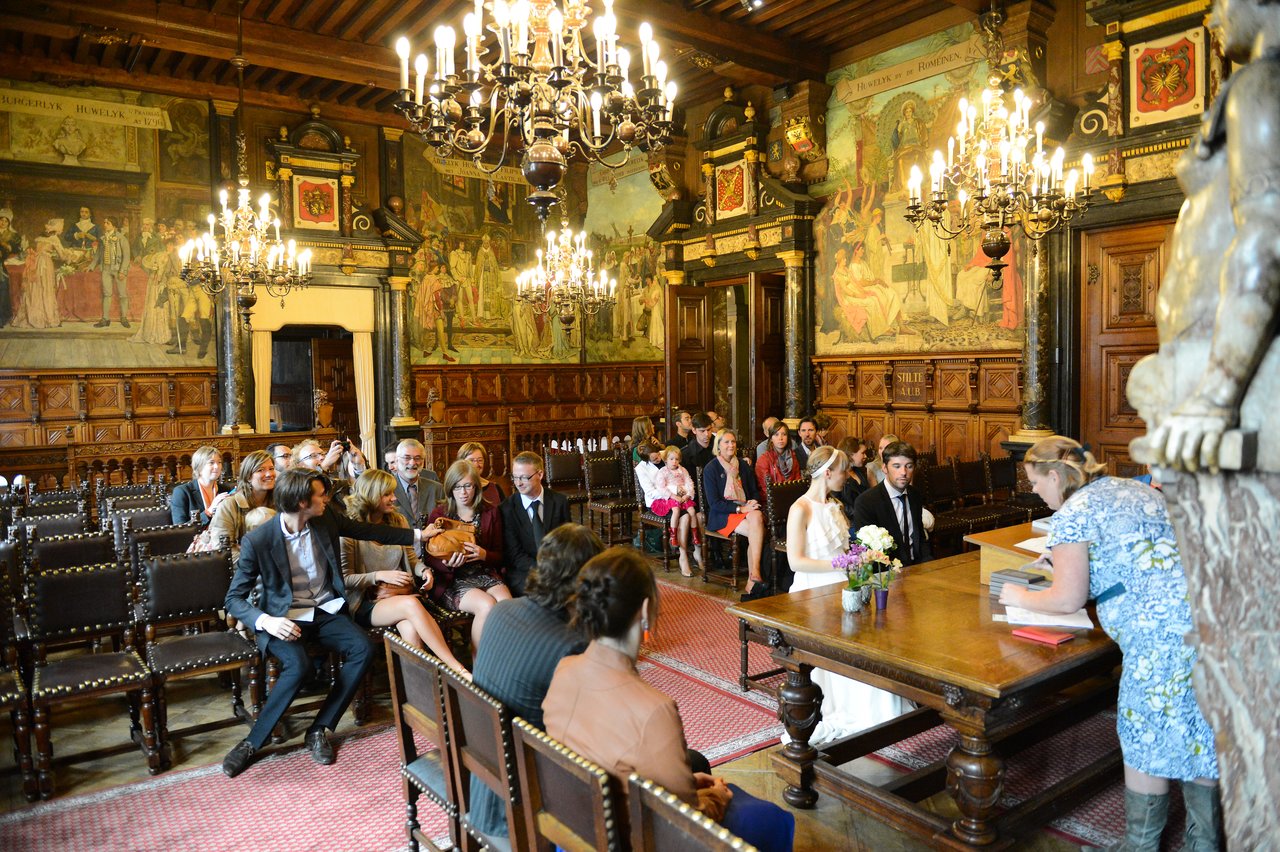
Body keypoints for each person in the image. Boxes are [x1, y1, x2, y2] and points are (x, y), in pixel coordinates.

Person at [997, 438, 1221, 850]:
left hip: (1159, 639)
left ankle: (1139, 846)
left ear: (1054, 475)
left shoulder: (1073, 513)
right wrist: (1061, 556)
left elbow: (1067, 599)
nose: (1034, 490)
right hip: (1209, 623)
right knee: (1198, 732)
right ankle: (1204, 843)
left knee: (1144, 740)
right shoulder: (1130, 487)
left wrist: (1019, 596)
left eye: (1033, 481)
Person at [543, 547, 795, 852]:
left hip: (577, 827)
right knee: (772, 819)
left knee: (696, 762)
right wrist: (716, 796)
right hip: (635, 838)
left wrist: (690, 785)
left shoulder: (564, 669)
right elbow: (684, 822)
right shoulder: (653, 710)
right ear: (645, 610)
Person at [221, 468, 421, 778]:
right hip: (283, 618)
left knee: (363, 649)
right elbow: (233, 599)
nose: (326, 499)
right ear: (302, 502)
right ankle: (252, 743)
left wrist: (419, 535)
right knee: (298, 666)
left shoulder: (325, 520)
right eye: (319, 494)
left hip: (325, 610)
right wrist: (268, 622)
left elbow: (367, 531)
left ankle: (319, 728)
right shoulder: (259, 540)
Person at [468, 523, 604, 838]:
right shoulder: (572, 645)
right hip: (529, 807)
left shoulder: (502, 612)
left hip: (483, 787)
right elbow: (592, 738)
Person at [786, 447, 911, 744]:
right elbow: (795, 561)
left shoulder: (835, 506)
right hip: (811, 588)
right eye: (844, 471)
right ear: (828, 473)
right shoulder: (800, 509)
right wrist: (842, 564)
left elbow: (844, 550)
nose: (848, 476)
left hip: (842, 582)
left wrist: (864, 559)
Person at [340, 470, 468, 675]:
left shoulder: (397, 521)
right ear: (371, 495)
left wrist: (424, 570)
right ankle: (453, 667)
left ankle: (418, 693)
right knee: (411, 605)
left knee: (410, 628)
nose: (394, 498)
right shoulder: (349, 529)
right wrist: (379, 575)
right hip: (366, 601)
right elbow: (345, 579)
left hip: (399, 595)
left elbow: (411, 559)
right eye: (387, 494)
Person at [423, 460, 510, 646]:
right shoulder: (439, 514)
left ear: (476, 486)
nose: (463, 492)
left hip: (484, 573)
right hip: (452, 580)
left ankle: (501, 662)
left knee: (507, 606)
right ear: (449, 488)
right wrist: (447, 564)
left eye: (468, 486)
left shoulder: (490, 512)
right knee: (486, 605)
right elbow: (429, 556)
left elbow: (501, 554)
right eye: (457, 486)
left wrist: (484, 554)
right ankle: (479, 666)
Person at [703, 429, 767, 600]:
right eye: (726, 442)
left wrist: (751, 503)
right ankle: (754, 576)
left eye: (733, 442)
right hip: (722, 514)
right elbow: (714, 504)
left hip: (744, 508)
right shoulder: (711, 469)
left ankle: (753, 574)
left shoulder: (743, 465)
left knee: (758, 517)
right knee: (756, 530)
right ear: (718, 446)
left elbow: (753, 491)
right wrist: (740, 509)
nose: (731, 445)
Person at [500, 450, 571, 596]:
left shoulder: (559, 501)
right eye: (515, 477)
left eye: (524, 478)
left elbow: (567, 542)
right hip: (524, 572)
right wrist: (545, 570)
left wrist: (558, 568)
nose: (518, 483)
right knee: (547, 594)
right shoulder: (507, 508)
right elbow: (514, 555)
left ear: (540, 474)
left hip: (557, 568)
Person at [852, 441, 932, 567]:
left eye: (909, 466)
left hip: (917, 568)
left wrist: (929, 565)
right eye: (896, 466)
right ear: (884, 468)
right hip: (887, 573)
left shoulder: (914, 495)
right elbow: (867, 552)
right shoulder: (866, 502)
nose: (903, 472)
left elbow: (920, 538)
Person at [208, 450, 277, 559]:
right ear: (248, 477)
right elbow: (223, 549)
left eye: (271, 469)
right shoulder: (229, 505)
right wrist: (259, 564)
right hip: (244, 569)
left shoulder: (279, 501)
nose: (269, 474)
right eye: (261, 470)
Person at [652, 444, 701, 577]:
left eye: (677, 459)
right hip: (671, 498)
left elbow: (689, 483)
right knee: (676, 511)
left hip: (683, 497)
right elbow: (661, 487)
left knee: (692, 512)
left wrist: (687, 495)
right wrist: (673, 495)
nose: (675, 462)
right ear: (666, 460)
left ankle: (695, 535)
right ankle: (673, 535)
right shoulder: (663, 472)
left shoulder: (682, 470)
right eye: (672, 459)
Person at [11, 219, 65, 329]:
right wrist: (72, 256)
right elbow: (63, 255)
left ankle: (34, 317)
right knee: (46, 288)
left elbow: (42, 250)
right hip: (45, 264)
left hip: (36, 262)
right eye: (61, 228)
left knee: (36, 289)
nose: (62, 230)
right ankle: (48, 319)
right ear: (57, 229)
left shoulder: (40, 238)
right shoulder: (54, 238)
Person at [170, 445, 231, 529]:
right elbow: (180, 530)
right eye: (211, 462)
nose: (217, 466)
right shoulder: (182, 492)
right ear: (199, 467)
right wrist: (209, 512)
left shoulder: (225, 490)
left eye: (219, 462)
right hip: (195, 540)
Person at [392, 438, 444, 527]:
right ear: (396, 460)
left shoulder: (436, 489)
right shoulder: (387, 489)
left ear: (423, 461)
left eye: (417, 458)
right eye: (407, 458)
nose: (412, 463)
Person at [94, 216, 131, 328]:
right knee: (107, 293)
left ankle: (124, 317)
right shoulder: (103, 238)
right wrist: (91, 266)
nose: (105, 224)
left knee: (123, 294)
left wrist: (122, 271)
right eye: (104, 222)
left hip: (118, 269)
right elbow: (98, 255)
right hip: (106, 269)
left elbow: (127, 256)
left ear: (114, 226)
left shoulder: (121, 238)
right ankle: (105, 319)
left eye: (108, 223)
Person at [756, 421, 803, 494]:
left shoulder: (793, 457)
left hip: (792, 496)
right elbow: (765, 487)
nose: (780, 438)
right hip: (772, 498)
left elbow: (798, 481)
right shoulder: (764, 459)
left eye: (784, 434)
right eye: (776, 434)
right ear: (771, 438)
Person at [834, 437, 872, 524]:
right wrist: (861, 513)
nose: (865, 456)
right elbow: (836, 503)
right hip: (848, 522)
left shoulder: (860, 471)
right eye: (862, 453)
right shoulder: (837, 476)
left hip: (864, 519)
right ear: (851, 455)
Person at [457, 441, 506, 506]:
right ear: (461, 463)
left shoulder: (495, 488)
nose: (476, 464)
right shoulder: (456, 489)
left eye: (480, 460)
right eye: (471, 460)